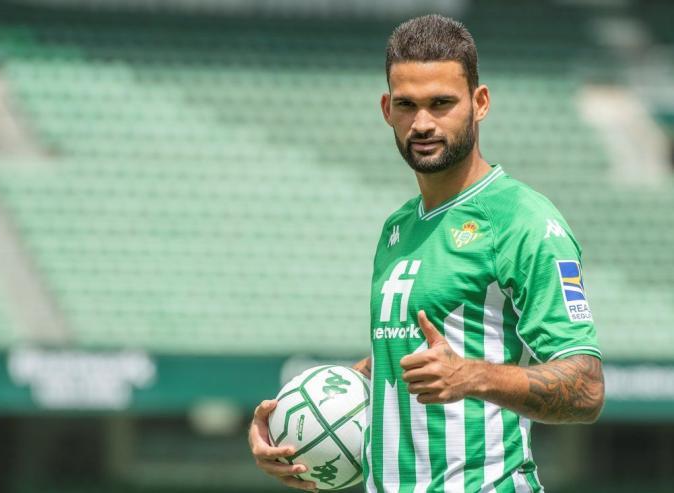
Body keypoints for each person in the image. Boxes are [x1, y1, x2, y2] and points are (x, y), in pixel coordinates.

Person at [249, 14, 604, 493]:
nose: (422, 123)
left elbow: (586, 386)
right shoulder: (399, 227)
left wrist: (472, 376)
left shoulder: (524, 221)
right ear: (385, 108)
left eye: (442, 103)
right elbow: (402, 355)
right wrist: (300, 423)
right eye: (406, 105)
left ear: (480, 103)